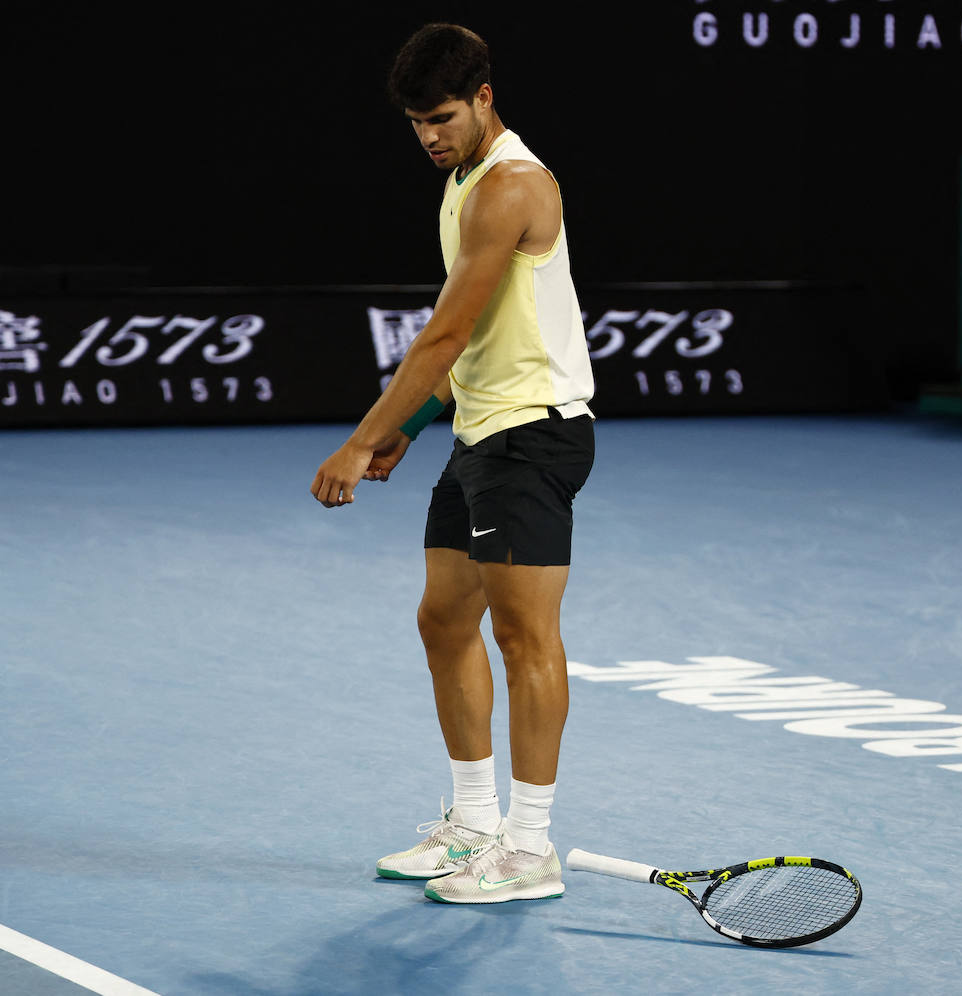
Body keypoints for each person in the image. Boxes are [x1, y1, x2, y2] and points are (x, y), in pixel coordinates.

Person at [310, 22, 595, 904]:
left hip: (534, 437)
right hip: (481, 433)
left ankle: (531, 846)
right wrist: (421, 421)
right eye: (414, 123)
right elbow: (476, 352)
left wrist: (364, 436)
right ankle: (473, 825)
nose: (428, 136)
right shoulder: (465, 178)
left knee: (524, 637)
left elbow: (447, 334)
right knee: (442, 621)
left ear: (483, 98)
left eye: (441, 117)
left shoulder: (512, 184)